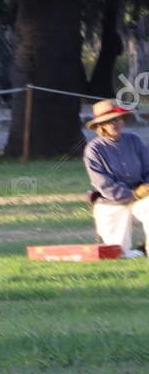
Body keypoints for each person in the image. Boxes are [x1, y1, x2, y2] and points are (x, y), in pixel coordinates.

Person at [83, 98, 149, 257]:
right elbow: (103, 184)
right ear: (100, 127)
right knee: (117, 253)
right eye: (109, 121)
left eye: (118, 119)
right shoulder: (93, 150)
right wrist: (132, 194)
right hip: (111, 201)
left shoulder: (134, 140)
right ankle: (137, 252)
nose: (115, 123)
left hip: (142, 195)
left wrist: (146, 187)